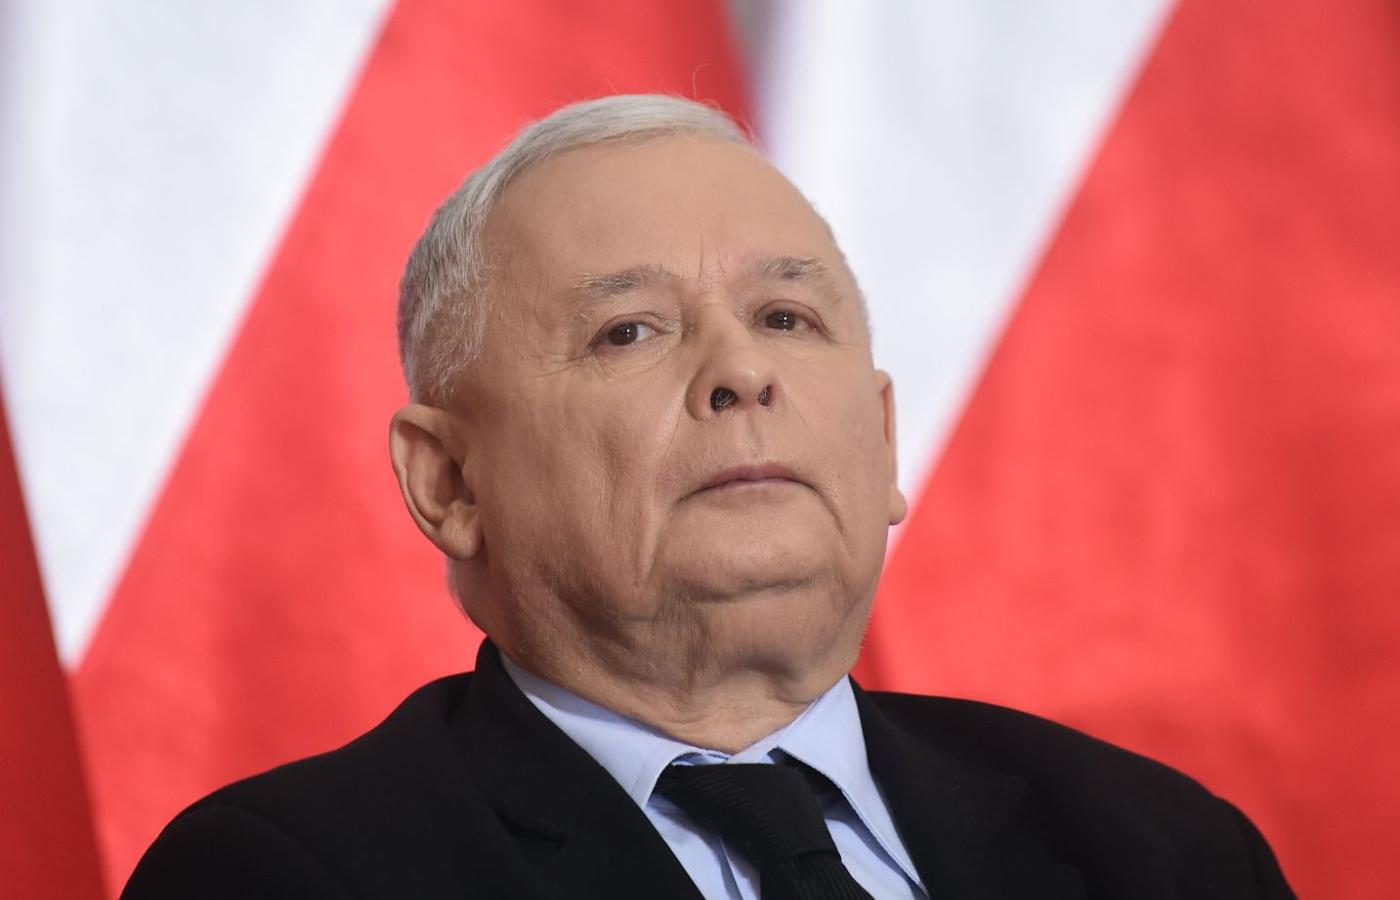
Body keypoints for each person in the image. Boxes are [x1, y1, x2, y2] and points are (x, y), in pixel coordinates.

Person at [122, 94, 1294, 900]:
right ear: (450, 482)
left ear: (882, 441)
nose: (741, 371)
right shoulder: (290, 875)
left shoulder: (1157, 848)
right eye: (628, 330)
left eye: (785, 316)